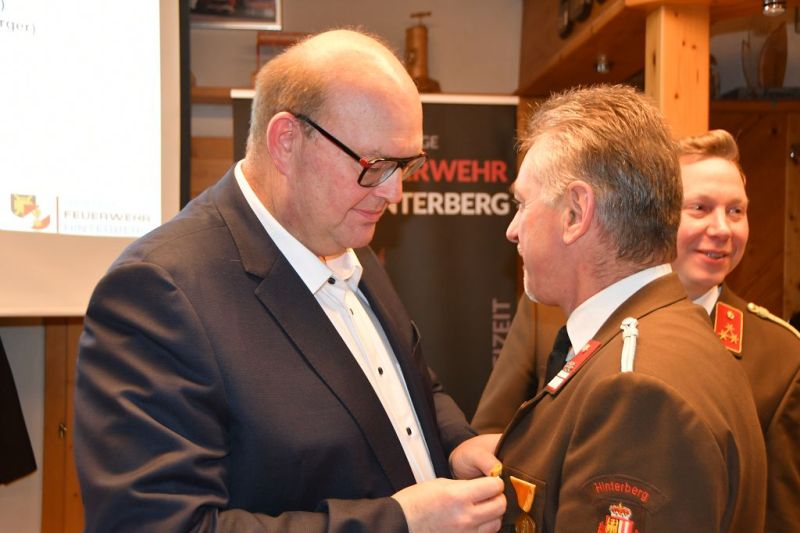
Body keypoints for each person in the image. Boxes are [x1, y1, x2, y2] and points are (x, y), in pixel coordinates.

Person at [74, 29, 504, 532]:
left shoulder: (345, 235)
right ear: (286, 142)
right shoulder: (159, 292)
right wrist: (399, 523)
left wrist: (455, 444)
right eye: (377, 166)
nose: (395, 194)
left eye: (406, 166)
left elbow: (403, 380)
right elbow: (159, 526)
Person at [473, 128, 800, 531]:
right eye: (700, 208)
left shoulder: (773, 353)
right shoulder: (560, 312)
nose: (722, 229)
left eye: (736, 211)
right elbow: (503, 432)